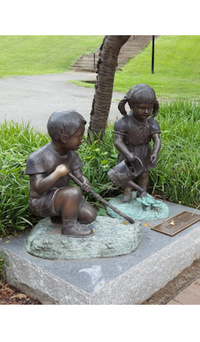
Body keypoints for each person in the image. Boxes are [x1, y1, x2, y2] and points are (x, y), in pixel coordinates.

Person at [25, 110, 97, 238]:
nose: (82, 140)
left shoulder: (72, 154)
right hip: (42, 202)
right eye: (79, 136)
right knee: (73, 192)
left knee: (90, 216)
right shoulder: (37, 158)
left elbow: (78, 175)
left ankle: (60, 216)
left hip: (64, 197)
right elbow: (38, 188)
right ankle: (69, 227)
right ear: (64, 138)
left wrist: (84, 182)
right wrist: (57, 174)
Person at [113, 84, 161, 203]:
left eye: (149, 108)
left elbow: (157, 139)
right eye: (142, 107)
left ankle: (142, 192)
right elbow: (118, 141)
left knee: (144, 174)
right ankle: (127, 194)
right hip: (128, 151)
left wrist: (155, 152)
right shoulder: (123, 122)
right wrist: (127, 154)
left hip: (144, 152)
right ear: (131, 106)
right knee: (128, 175)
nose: (146, 111)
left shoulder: (151, 123)